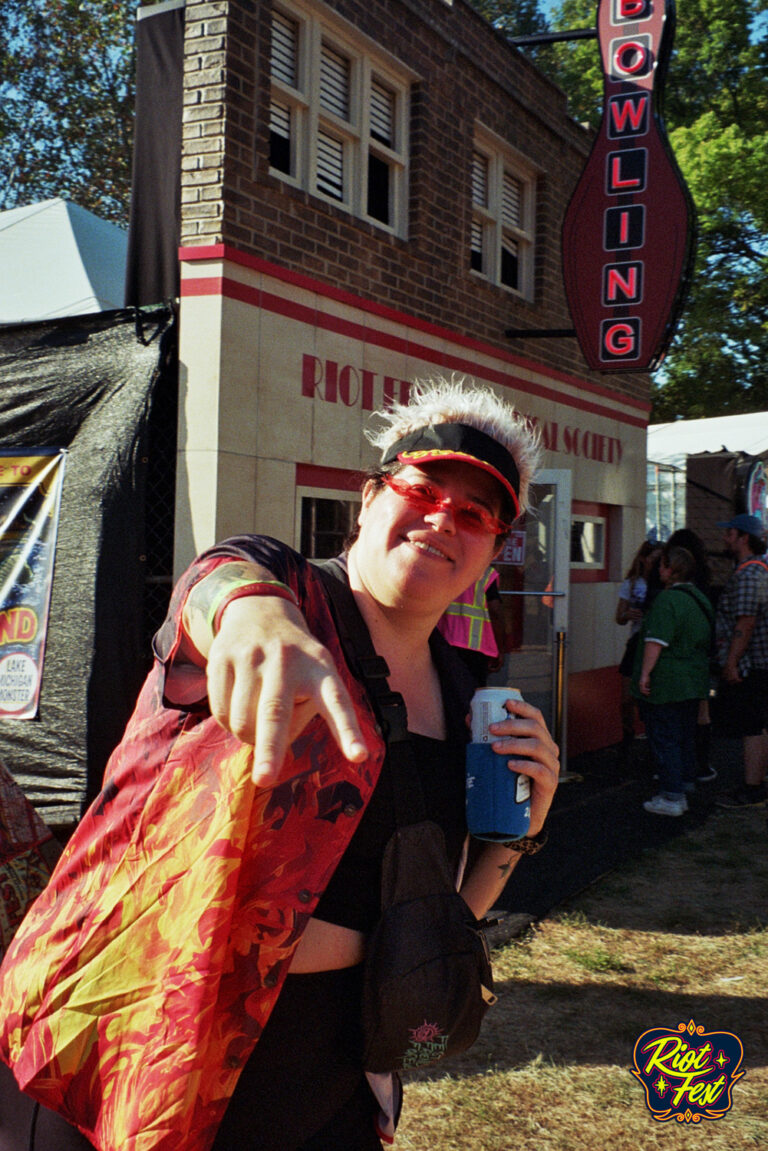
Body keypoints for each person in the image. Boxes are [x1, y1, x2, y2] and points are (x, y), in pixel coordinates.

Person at [0, 376, 560, 1151]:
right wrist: (250, 614)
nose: (442, 519)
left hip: (330, 1082)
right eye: (422, 489)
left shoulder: (467, 694)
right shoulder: (287, 591)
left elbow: (443, 914)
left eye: (474, 514)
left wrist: (513, 836)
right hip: (138, 1040)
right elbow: (222, 579)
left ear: (494, 551)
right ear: (368, 499)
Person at [632, 545, 714, 816]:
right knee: (684, 736)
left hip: (667, 682)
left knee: (664, 737)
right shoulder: (699, 598)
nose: (659, 569)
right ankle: (685, 783)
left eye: (662, 565)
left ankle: (671, 796)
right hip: (693, 680)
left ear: (670, 568)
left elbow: (657, 641)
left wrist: (644, 674)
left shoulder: (668, 601)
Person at [712, 512, 768, 809]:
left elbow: (745, 622)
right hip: (759, 663)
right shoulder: (761, 569)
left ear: (744, 538)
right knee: (758, 726)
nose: (724, 538)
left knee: (752, 727)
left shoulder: (748, 574)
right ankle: (756, 783)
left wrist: (731, 662)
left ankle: (751, 787)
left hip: (752, 665)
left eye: (729, 533)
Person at [615, 540, 660, 746]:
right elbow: (619, 617)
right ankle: (628, 733)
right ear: (644, 559)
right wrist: (627, 613)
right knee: (627, 698)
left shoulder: (662, 584)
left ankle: (651, 736)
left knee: (650, 696)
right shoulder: (632, 583)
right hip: (636, 640)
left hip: (653, 639)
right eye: (654, 559)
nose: (657, 564)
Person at [437, 565, 506, 684]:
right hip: (475, 646)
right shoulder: (487, 573)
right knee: (472, 694)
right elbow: (495, 612)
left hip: (443, 640)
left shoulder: (444, 569)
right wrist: (499, 647)